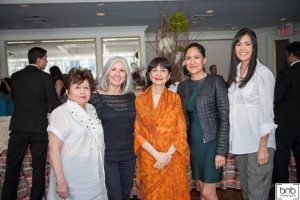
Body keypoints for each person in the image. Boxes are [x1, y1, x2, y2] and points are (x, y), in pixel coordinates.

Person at [1, 47, 61, 200]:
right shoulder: (45, 77)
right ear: (39, 59)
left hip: (18, 126)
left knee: (12, 167)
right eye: (45, 59)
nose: (46, 62)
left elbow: (16, 98)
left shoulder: (15, 76)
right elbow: (54, 103)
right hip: (38, 127)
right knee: (38, 168)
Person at [227, 28, 276, 200]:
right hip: (241, 143)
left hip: (258, 144)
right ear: (234, 48)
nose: (242, 48)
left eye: (247, 44)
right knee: (247, 192)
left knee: (257, 194)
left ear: (254, 47)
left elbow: (267, 113)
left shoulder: (262, 73)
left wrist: (263, 147)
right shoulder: (236, 72)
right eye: (238, 44)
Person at [177, 43, 229, 200]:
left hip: (212, 144)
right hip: (193, 145)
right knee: (201, 189)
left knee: (208, 192)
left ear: (204, 60)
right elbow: (181, 118)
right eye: (188, 58)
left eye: (196, 57)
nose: (192, 62)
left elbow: (224, 118)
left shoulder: (216, 81)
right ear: (184, 62)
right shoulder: (183, 86)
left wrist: (221, 151)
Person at [134, 57, 190, 200]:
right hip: (150, 160)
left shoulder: (175, 99)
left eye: (163, 70)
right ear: (149, 74)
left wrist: (166, 156)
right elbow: (138, 133)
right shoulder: (140, 100)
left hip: (173, 158)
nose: (158, 74)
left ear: (169, 75)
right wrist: (157, 155)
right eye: (154, 70)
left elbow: (180, 131)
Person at [47, 68, 108, 200]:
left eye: (86, 87)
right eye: (77, 87)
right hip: (71, 181)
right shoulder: (60, 113)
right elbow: (53, 150)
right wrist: (61, 182)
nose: (82, 91)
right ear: (68, 92)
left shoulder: (91, 109)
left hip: (95, 179)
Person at [89, 56, 135, 200]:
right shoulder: (96, 98)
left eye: (122, 70)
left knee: (126, 195)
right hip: (107, 156)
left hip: (129, 155)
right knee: (115, 196)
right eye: (113, 69)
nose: (117, 73)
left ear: (126, 75)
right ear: (106, 73)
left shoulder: (131, 97)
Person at [274, 41, 300, 183]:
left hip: (285, 126)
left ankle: (286, 197)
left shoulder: (286, 73)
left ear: (290, 55)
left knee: (282, 163)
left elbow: (277, 97)